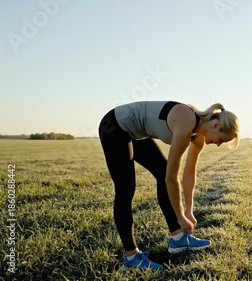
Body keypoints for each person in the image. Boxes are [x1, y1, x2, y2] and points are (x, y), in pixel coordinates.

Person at [98, 100, 239, 271]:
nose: (218, 144)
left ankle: (178, 238)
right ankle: (131, 257)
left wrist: (189, 210)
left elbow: (189, 173)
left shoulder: (197, 137)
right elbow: (171, 178)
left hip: (135, 133)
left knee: (161, 169)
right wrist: (180, 217)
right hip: (114, 126)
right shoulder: (186, 122)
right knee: (126, 189)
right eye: (221, 140)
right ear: (216, 125)